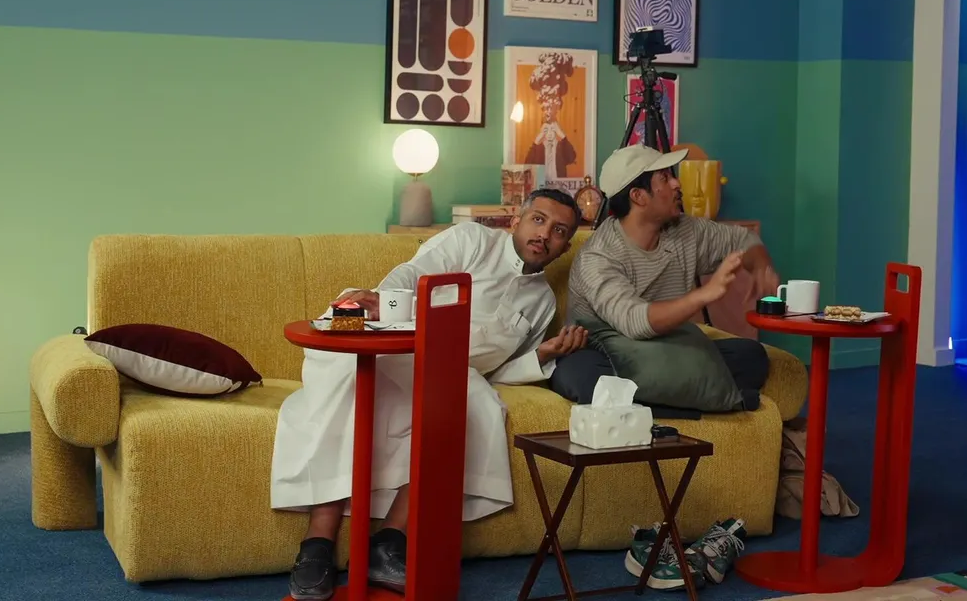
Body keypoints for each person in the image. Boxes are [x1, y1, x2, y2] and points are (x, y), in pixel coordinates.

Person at [270, 189, 588, 600]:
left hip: (453, 370)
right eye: (538, 220)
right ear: (516, 220)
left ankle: (389, 542)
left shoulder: (542, 301)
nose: (544, 234)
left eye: (559, 231)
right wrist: (382, 301)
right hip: (402, 344)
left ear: (565, 247)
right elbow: (413, 273)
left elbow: (500, 370)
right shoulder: (472, 240)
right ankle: (317, 544)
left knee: (475, 404)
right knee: (350, 385)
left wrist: (542, 355)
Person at [551, 145, 782, 413]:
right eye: (664, 178)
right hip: (608, 351)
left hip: (667, 347)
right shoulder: (598, 256)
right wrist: (703, 295)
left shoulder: (684, 230)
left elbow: (744, 241)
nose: (676, 183)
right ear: (638, 196)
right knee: (581, 377)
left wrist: (761, 267)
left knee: (751, 356)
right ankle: (698, 400)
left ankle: (656, 403)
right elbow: (633, 321)